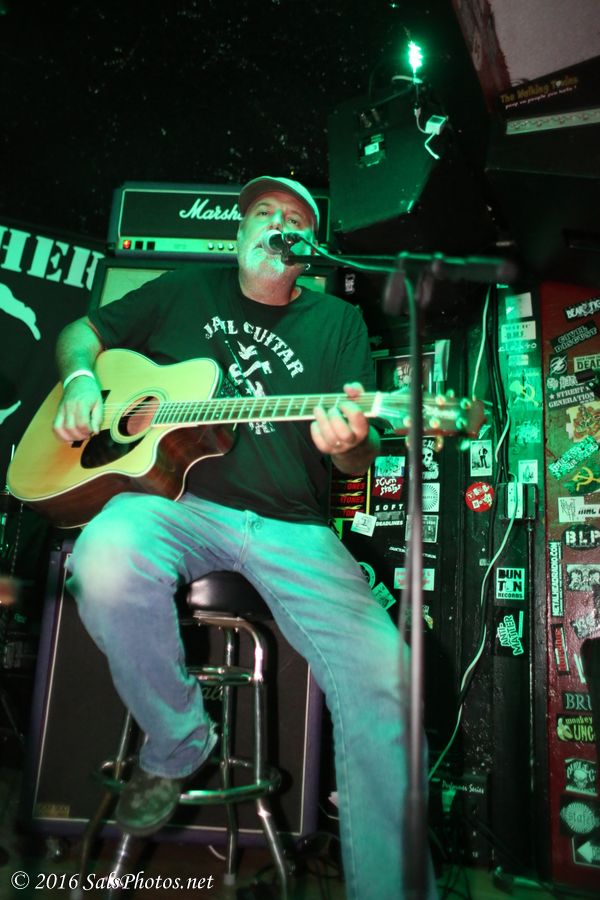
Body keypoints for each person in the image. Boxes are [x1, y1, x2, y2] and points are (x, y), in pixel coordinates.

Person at [52, 176, 418, 899]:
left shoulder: (339, 321)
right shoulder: (185, 289)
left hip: (294, 528)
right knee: (103, 557)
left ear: (309, 247)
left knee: (390, 681)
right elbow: (80, 335)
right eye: (264, 213)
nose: (279, 224)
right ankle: (178, 739)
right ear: (239, 231)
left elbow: (357, 455)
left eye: (296, 219)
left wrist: (350, 442)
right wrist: (79, 382)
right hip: (175, 505)